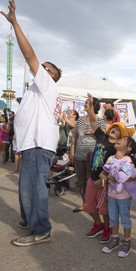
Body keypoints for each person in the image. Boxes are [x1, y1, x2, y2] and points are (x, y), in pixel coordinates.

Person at [2, 0, 62, 246]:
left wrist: (16, 23)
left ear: (50, 75)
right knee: (26, 187)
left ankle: (41, 230)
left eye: (45, 68)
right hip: (31, 144)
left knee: (33, 188)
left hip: (38, 145)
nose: (40, 68)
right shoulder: (36, 91)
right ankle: (30, 219)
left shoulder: (47, 84)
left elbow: (29, 55)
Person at [83, 94, 131, 244]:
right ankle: (98, 224)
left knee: (104, 209)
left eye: (116, 130)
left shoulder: (116, 149)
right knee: (88, 206)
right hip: (92, 178)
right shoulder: (101, 137)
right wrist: (91, 104)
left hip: (103, 182)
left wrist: (103, 179)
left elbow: (117, 167)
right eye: (113, 128)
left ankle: (107, 227)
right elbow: (92, 119)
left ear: (120, 137)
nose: (113, 130)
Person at [100, 136, 136, 257]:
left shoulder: (128, 161)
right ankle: (114, 238)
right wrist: (103, 177)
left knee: (125, 219)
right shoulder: (110, 158)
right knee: (113, 218)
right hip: (111, 194)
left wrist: (115, 177)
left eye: (123, 140)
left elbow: (125, 176)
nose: (119, 140)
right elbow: (104, 172)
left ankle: (127, 241)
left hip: (124, 197)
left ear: (128, 148)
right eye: (120, 139)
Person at [70, 97, 105, 213]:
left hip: (93, 156)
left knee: (91, 181)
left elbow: (103, 136)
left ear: (93, 106)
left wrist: (94, 132)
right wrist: (72, 152)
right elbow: (75, 137)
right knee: (81, 181)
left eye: (87, 102)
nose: (84, 104)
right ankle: (85, 203)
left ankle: (93, 203)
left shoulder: (99, 121)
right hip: (79, 154)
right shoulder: (79, 120)